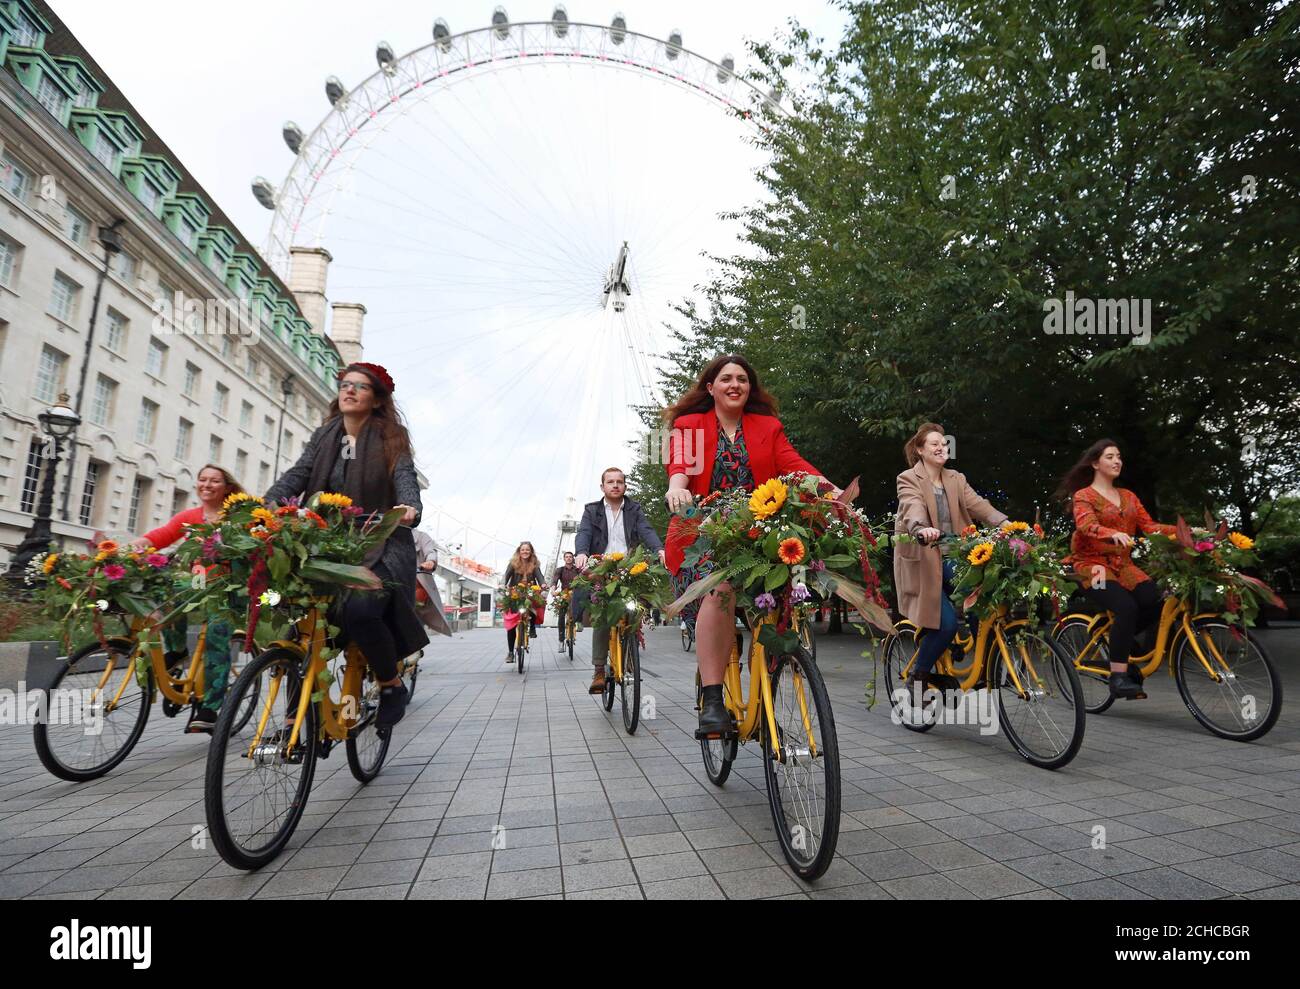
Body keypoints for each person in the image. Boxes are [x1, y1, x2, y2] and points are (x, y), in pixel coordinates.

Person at [661, 354, 840, 737]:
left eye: (742, 379)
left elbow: (795, 466)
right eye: (726, 378)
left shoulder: (767, 427)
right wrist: (677, 489)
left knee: (786, 587)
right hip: (703, 534)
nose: (735, 385)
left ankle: (769, 672)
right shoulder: (688, 425)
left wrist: (829, 490)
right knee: (719, 589)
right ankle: (712, 699)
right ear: (710, 388)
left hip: (758, 530)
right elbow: (680, 463)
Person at [264, 363, 427, 730]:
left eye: (361, 386)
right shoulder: (325, 436)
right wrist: (266, 505)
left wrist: (408, 507)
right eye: (345, 384)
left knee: (361, 609)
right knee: (300, 622)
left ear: (376, 398)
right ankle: (296, 714)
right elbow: (298, 475)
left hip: (380, 538)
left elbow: (405, 478)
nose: (349, 391)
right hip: (328, 538)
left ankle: (390, 684)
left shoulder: (391, 437)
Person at [893, 423, 1007, 707]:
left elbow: (979, 505)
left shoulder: (956, 479)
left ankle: (979, 660)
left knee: (982, 594)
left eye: (943, 443)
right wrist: (921, 528)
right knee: (943, 625)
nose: (941, 446)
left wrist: (1006, 524)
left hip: (954, 555)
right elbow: (912, 506)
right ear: (920, 450)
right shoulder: (909, 478)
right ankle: (918, 675)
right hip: (924, 557)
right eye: (933, 443)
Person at [1056, 439, 1177, 700]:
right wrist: (1112, 533)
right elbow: (1086, 525)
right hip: (1092, 566)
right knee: (1126, 607)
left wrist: (1187, 534)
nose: (1117, 461)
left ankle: (1118, 639)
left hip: (1124, 566)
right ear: (1095, 463)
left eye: (1119, 456)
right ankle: (1118, 677)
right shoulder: (1084, 496)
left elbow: (1151, 527)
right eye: (1110, 456)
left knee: (1158, 600)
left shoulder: (1129, 497)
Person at [129, 464, 244, 733]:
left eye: (214, 481)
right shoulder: (192, 516)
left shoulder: (238, 517)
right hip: (198, 580)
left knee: (217, 633)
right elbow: (163, 535)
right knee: (165, 594)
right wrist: (130, 548)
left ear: (227, 487)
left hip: (229, 586)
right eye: (202, 479)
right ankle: (178, 649)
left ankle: (210, 708)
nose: (206, 484)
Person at [575, 468, 665, 694]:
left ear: (625, 486)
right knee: (603, 615)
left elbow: (646, 530)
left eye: (619, 482)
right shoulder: (591, 510)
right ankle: (598, 669)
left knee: (634, 608)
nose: (615, 485)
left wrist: (660, 549)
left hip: (629, 565)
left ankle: (629, 651)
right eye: (610, 482)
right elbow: (584, 532)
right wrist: (582, 552)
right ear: (602, 486)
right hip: (601, 565)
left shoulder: (634, 509)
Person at [502, 542, 545, 663]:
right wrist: (503, 584)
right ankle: (510, 653)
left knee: (535, 603)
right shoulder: (513, 563)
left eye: (527, 550)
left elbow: (539, 576)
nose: (525, 552)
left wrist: (543, 584)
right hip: (515, 591)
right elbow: (506, 576)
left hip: (530, 591)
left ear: (531, 552)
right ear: (519, 551)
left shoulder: (534, 564)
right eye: (523, 550)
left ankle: (532, 627)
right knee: (511, 625)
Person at [412, 528, 452, 638]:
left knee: (415, 612)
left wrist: (431, 561)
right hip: (391, 582)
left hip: (414, 583)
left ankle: (415, 643)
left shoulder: (421, 536)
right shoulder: (387, 532)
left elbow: (430, 551)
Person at [552, 550, 580, 643]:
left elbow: (583, 580)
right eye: (566, 557)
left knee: (578, 610)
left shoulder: (577, 570)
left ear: (573, 559)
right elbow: (555, 581)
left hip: (575, 594)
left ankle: (578, 624)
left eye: (570, 557)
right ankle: (561, 639)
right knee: (561, 615)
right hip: (564, 594)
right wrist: (553, 590)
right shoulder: (560, 570)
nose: (568, 558)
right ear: (564, 559)